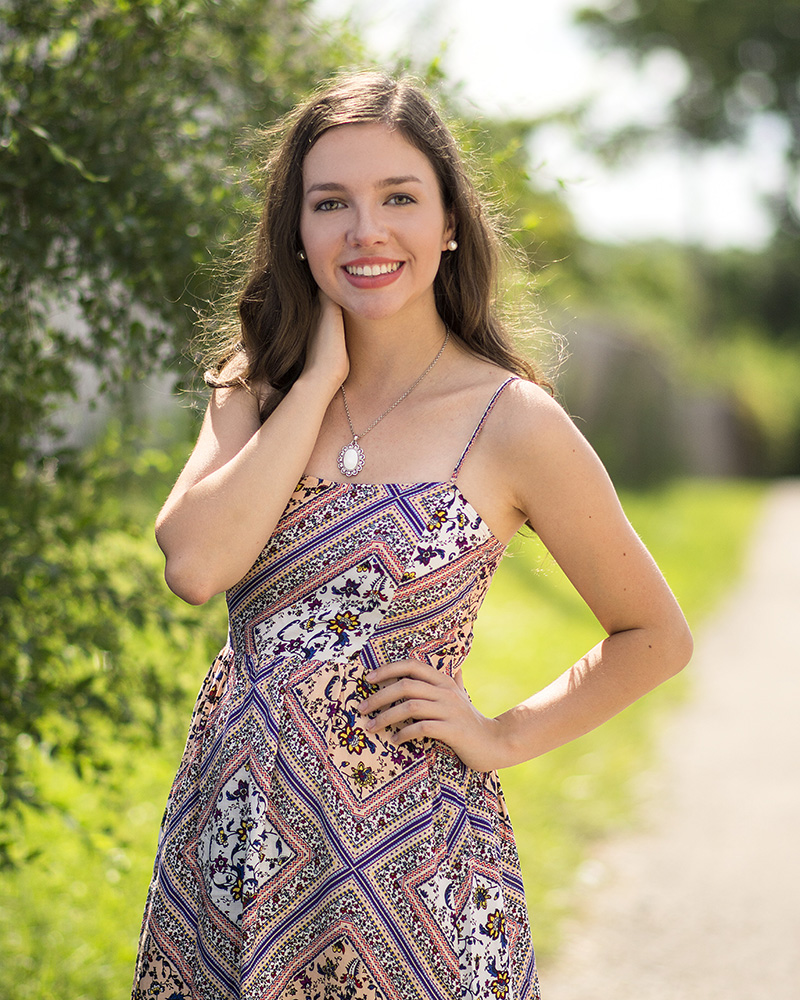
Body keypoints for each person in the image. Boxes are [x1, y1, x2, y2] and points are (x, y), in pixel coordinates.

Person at [131, 71, 692, 1000]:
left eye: (399, 197)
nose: (366, 231)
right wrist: (312, 384)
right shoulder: (255, 387)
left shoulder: (512, 420)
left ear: (449, 223)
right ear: (297, 234)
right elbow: (195, 565)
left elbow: (654, 636)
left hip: (415, 873)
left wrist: (501, 735)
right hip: (232, 855)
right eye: (331, 204)